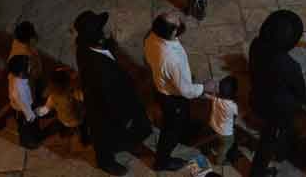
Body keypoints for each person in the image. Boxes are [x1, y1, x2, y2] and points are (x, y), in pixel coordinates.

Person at [74, 11, 151, 176]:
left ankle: (128, 144)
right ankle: (105, 163)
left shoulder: (83, 46)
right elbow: (110, 100)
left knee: (123, 130)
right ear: (98, 38)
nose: (105, 30)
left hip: (108, 97)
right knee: (105, 135)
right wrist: (125, 117)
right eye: (101, 30)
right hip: (105, 106)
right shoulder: (99, 69)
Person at [144, 12, 215, 171]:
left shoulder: (151, 36)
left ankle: (185, 132)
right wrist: (204, 87)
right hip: (172, 98)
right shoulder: (171, 59)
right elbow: (186, 90)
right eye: (177, 22)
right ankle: (162, 162)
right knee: (170, 131)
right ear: (173, 32)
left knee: (182, 117)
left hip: (163, 86)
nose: (180, 19)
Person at [248, 10, 306, 177]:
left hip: (258, 97)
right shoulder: (290, 66)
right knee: (269, 139)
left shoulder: (256, 45)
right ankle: (260, 170)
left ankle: (280, 152)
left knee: (273, 134)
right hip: (278, 110)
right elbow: (299, 92)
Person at [8, 54, 44, 149]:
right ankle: (29, 142)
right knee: (28, 128)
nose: (31, 66)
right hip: (25, 111)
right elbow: (24, 105)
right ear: (21, 73)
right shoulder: (22, 89)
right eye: (29, 65)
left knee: (23, 127)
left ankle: (26, 139)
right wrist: (31, 115)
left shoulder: (19, 78)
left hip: (23, 109)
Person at [207, 75, 239, 166]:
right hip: (225, 133)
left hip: (214, 126)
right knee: (226, 145)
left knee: (219, 140)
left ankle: (215, 149)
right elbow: (235, 116)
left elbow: (209, 95)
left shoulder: (216, 99)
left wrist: (213, 88)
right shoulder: (233, 106)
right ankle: (219, 160)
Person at [10, 21, 44, 98]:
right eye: (34, 35)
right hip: (32, 86)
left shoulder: (21, 46)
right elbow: (33, 76)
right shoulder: (28, 57)